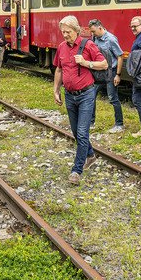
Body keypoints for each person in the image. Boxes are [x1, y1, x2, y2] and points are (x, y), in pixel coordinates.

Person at [52, 15, 108, 185]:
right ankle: (90, 155)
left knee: (82, 133)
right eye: (63, 32)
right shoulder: (61, 47)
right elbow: (59, 70)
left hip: (86, 94)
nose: (65, 35)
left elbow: (104, 64)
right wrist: (55, 90)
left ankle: (76, 171)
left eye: (68, 32)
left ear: (76, 31)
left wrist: (86, 63)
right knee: (76, 132)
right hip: (69, 95)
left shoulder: (88, 45)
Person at [87, 19, 124, 133]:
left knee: (113, 98)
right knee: (91, 96)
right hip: (99, 72)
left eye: (94, 31)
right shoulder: (95, 38)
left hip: (110, 72)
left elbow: (120, 56)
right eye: (91, 32)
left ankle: (119, 124)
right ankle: (91, 122)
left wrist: (118, 75)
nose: (93, 34)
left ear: (100, 27)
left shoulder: (111, 39)